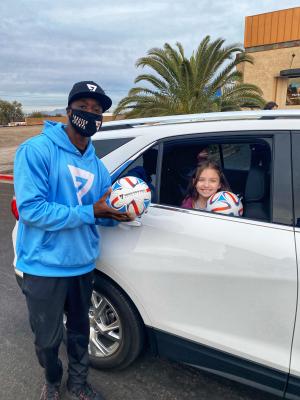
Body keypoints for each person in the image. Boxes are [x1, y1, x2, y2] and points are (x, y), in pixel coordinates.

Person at [14, 81, 132, 400]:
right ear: (68, 111)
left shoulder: (96, 165)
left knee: (80, 333)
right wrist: (90, 210)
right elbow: (32, 210)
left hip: (81, 264)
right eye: (83, 107)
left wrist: (116, 212)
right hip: (44, 266)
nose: (90, 115)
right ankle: (53, 379)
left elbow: (99, 208)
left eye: (97, 110)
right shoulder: (37, 150)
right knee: (47, 341)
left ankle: (78, 383)